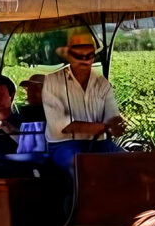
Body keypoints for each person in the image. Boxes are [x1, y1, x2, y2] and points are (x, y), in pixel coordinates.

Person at [43, 29, 126, 171]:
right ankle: (75, 194)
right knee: (80, 166)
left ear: (94, 56)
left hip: (100, 144)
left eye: (89, 55)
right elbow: (61, 126)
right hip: (63, 145)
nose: (84, 60)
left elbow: (112, 120)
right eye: (78, 55)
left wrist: (117, 127)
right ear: (68, 55)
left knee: (128, 161)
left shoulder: (103, 84)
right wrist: (103, 127)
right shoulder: (52, 81)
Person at [15, 73, 48, 154]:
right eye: (29, 88)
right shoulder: (23, 113)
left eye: (37, 88)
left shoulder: (51, 114)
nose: (31, 92)